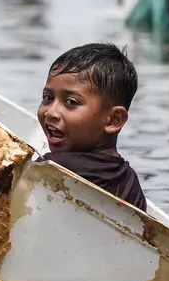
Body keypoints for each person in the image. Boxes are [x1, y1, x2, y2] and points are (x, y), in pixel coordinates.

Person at [37, 42, 146, 213]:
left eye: (71, 102)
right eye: (47, 97)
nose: (51, 112)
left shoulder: (50, 168)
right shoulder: (130, 182)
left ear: (113, 120)